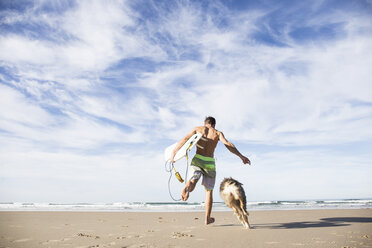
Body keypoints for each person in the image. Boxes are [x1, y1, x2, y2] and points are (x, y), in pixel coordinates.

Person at [170, 116, 250, 225]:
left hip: (198, 159)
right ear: (214, 124)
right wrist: (241, 156)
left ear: (205, 123)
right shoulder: (217, 133)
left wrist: (174, 151)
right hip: (209, 163)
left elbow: (185, 139)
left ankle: (188, 185)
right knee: (208, 191)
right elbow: (228, 144)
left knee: (193, 181)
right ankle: (207, 218)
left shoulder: (198, 129)